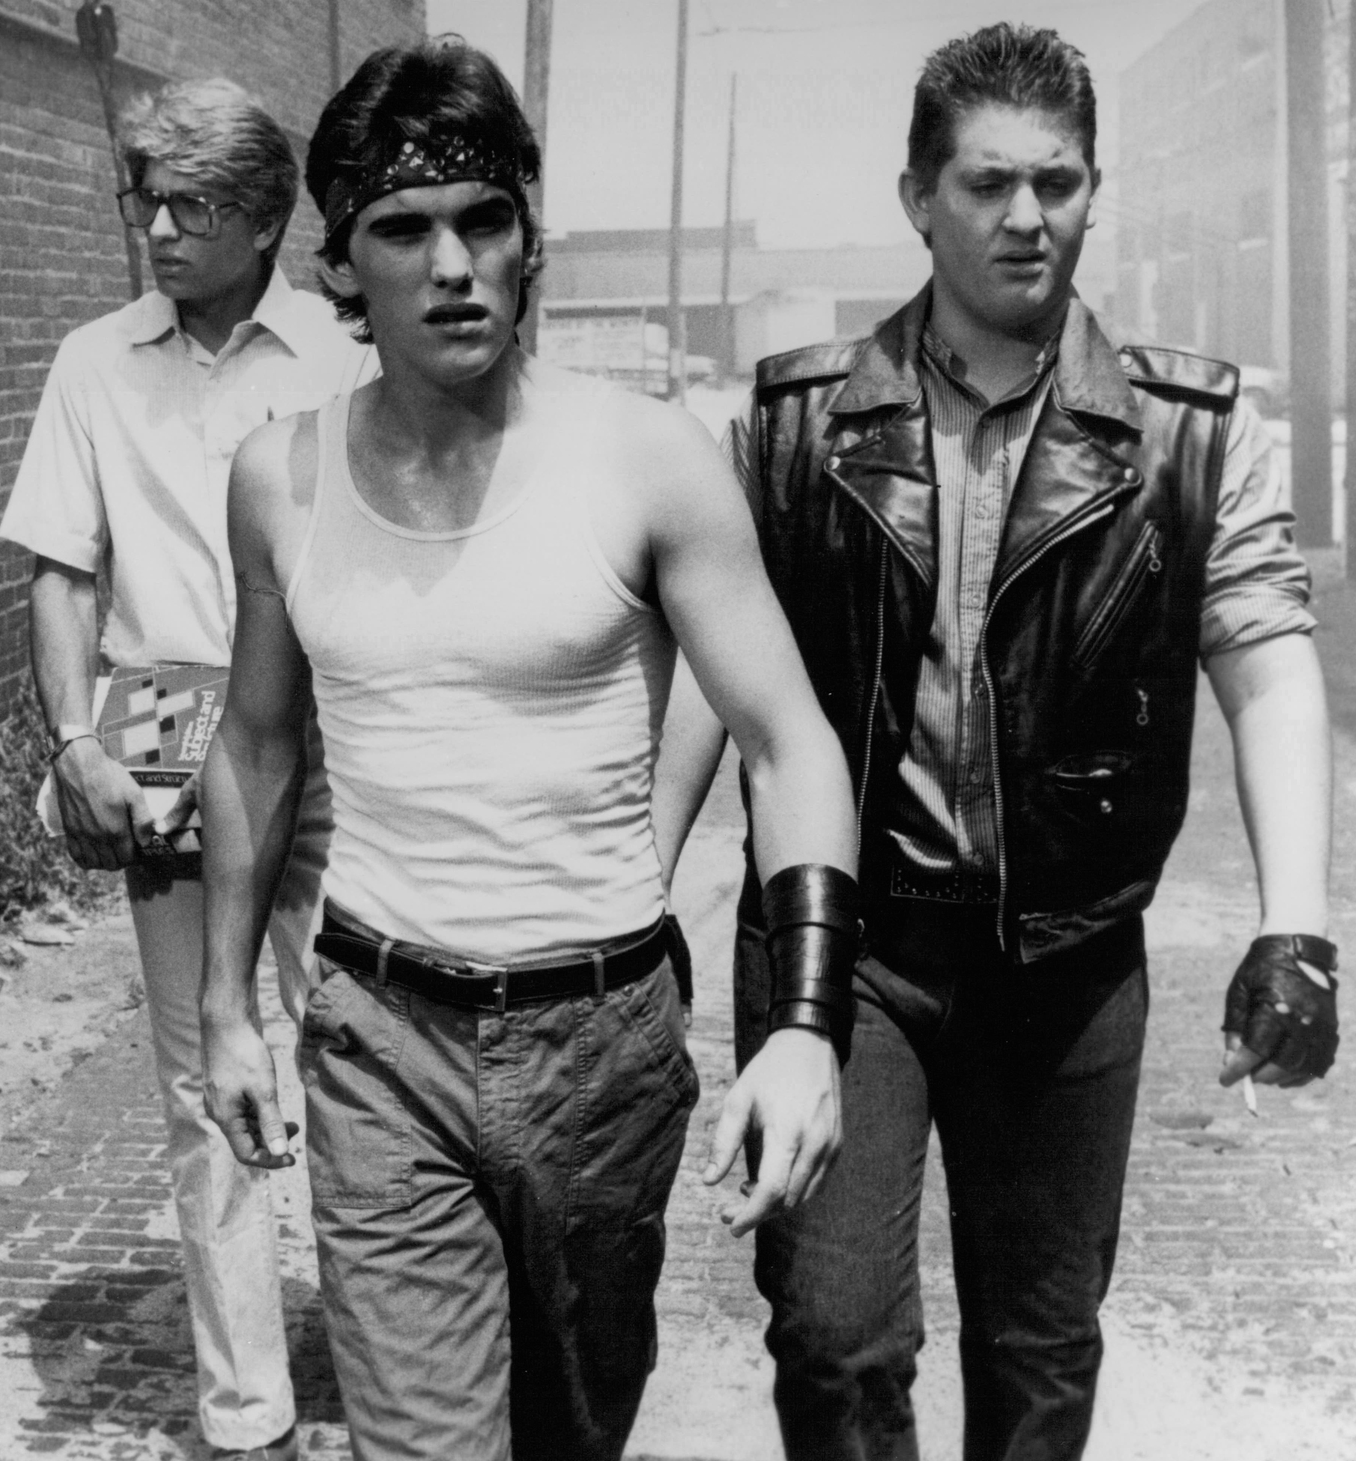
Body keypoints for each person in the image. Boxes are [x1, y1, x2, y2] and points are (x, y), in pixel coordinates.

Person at [198, 39, 866, 1460]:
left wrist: (804, 1021)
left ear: (528, 239)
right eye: (404, 230)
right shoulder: (280, 474)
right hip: (379, 1036)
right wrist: (224, 1009)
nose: (453, 265)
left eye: (484, 221)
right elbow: (257, 746)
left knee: (570, 1433)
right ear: (341, 268)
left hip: (601, 1041)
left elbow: (791, 743)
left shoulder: (650, 456)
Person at [680, 24, 1336, 1461]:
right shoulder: (789, 426)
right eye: (987, 183)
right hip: (848, 947)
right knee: (834, 1333)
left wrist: (1298, 925)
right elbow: (710, 681)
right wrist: (628, 892)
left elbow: (1272, 663)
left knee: (1041, 1355)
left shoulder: (1195, 434)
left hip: (1070, 955)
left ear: (1095, 189)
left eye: (1058, 181)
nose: (1026, 216)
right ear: (918, 196)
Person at [0, 77, 371, 1461]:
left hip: (327, 730)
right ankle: (246, 1407)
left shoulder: (345, 357)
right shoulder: (94, 361)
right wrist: (73, 741)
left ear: (267, 218)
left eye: (191, 204)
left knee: (357, 1050)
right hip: (162, 721)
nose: (156, 226)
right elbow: (58, 568)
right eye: (141, 197)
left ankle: (393, 1367)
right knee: (202, 1080)